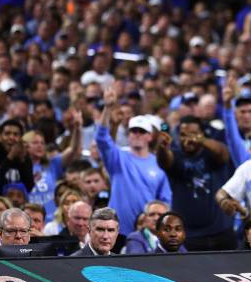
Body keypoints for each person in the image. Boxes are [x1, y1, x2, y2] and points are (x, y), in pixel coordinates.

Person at [96, 87, 172, 235]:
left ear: (150, 136)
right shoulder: (118, 158)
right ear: (128, 135)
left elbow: (165, 201)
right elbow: (101, 139)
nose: (137, 134)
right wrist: (107, 108)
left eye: (142, 131)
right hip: (116, 233)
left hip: (149, 232)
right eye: (133, 131)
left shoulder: (159, 164)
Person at [156, 115, 234, 251]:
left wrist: (200, 140)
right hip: (189, 236)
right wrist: (162, 148)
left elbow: (223, 153)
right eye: (183, 135)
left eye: (192, 134)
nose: (188, 139)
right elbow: (165, 162)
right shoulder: (176, 155)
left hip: (221, 232)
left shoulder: (211, 153)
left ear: (202, 134)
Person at [0, 119, 34, 195]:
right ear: (0, 137)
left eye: (15, 134)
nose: (11, 137)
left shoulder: (25, 157)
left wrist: (22, 161)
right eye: (7, 134)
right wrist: (10, 157)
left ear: (20, 138)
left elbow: (29, 187)